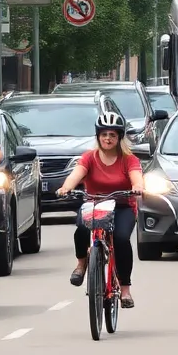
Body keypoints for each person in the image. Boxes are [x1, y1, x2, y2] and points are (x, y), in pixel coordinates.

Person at [56, 112, 144, 308]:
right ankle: (82, 264)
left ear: (119, 137)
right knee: (81, 229)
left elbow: (136, 176)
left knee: (121, 240)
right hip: (94, 204)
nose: (108, 138)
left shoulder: (128, 159)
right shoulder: (89, 157)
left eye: (112, 135)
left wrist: (137, 186)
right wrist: (66, 187)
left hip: (122, 206)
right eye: (104, 134)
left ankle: (125, 290)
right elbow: (76, 174)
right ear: (98, 136)